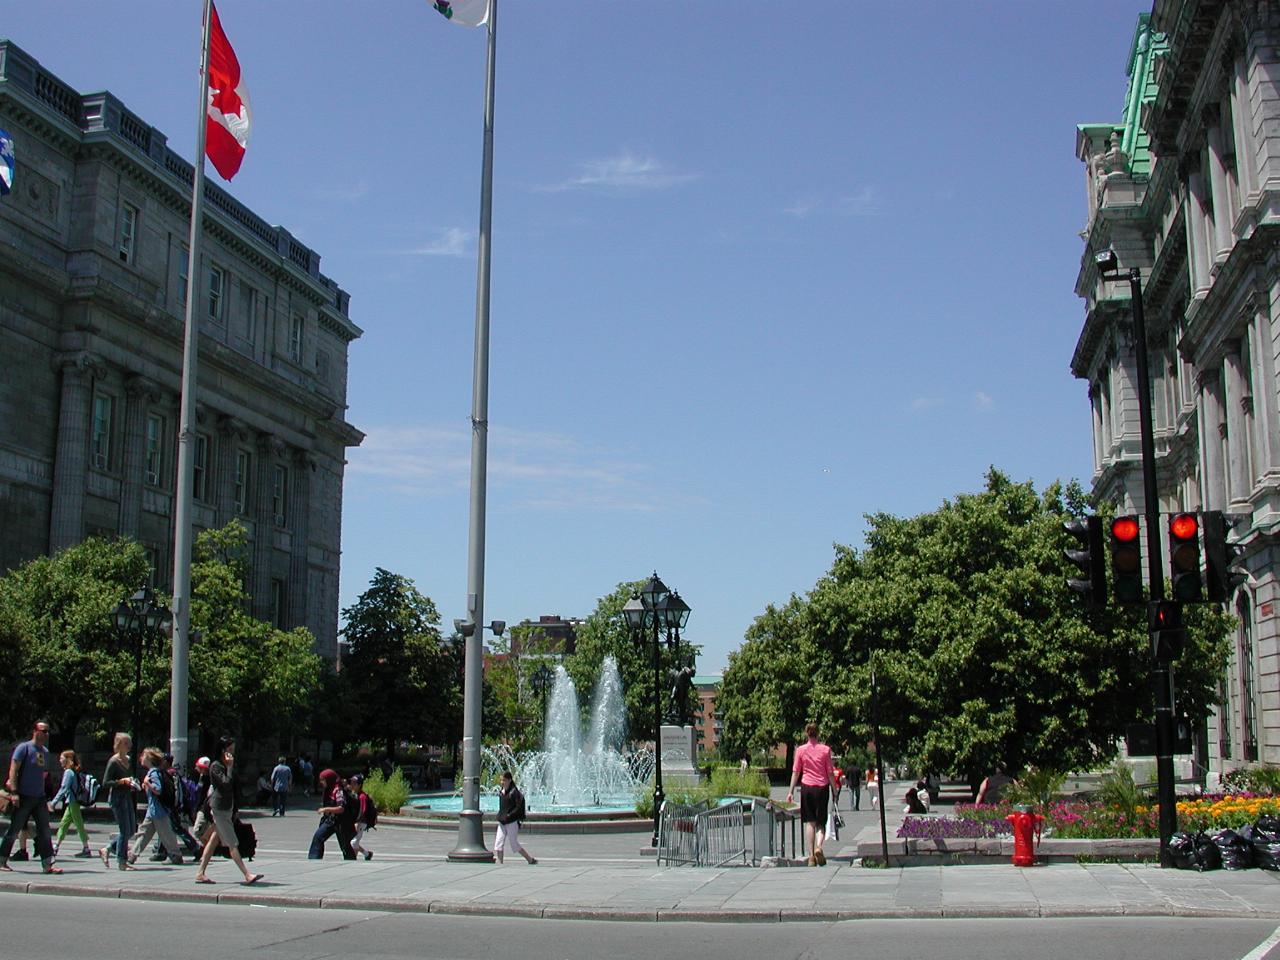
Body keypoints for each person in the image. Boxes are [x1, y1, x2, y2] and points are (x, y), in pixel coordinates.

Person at [194, 737, 262, 885]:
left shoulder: (225, 765)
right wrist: (230, 767)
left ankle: (200, 872)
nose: (232, 753)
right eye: (230, 750)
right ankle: (247, 874)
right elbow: (225, 784)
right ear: (222, 750)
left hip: (227, 807)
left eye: (233, 750)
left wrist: (235, 808)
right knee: (232, 842)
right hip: (219, 808)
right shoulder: (216, 766)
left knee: (213, 841)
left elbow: (234, 788)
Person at [0, 719, 61, 874]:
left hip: (39, 797)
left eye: (48, 731)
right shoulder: (24, 748)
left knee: (45, 830)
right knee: (14, 830)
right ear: (35, 731)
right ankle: (2, 860)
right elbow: (13, 770)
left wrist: (47, 797)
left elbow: (42, 775)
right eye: (43, 731)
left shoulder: (45, 752)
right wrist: (14, 792)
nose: (46, 734)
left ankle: (47, 864)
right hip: (24, 796)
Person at [785, 722, 836, 867]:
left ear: (807, 734)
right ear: (818, 733)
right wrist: (835, 789)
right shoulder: (825, 750)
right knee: (821, 822)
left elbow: (796, 771)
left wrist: (790, 791)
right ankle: (819, 846)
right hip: (822, 787)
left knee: (810, 822)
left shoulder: (800, 750)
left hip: (807, 787)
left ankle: (811, 856)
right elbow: (830, 772)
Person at [127, 747, 184, 865]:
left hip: (158, 811)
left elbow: (158, 789)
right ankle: (132, 855)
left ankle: (176, 855)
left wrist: (147, 782)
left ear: (149, 759)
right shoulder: (154, 772)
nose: (141, 758)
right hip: (153, 810)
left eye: (143, 755)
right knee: (144, 833)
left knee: (166, 834)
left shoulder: (153, 773)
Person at [99, 732, 137, 871]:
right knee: (124, 830)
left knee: (132, 829)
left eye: (130, 743)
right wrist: (121, 781)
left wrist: (133, 782)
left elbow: (131, 776)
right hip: (117, 798)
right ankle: (122, 861)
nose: (129, 746)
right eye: (127, 743)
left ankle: (108, 849)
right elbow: (105, 782)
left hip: (127, 796)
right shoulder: (114, 761)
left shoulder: (128, 759)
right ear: (119, 744)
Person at [51, 750, 92, 859]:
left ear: (68, 759)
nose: (60, 760)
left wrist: (54, 802)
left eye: (61, 758)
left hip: (73, 802)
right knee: (64, 824)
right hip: (72, 803)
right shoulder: (73, 771)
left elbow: (64, 788)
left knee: (79, 825)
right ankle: (55, 846)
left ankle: (86, 848)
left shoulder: (68, 772)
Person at [308, 769, 356, 860]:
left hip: (340, 822)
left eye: (323, 780)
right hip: (330, 820)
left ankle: (351, 861)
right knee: (318, 837)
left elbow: (341, 808)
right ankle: (314, 859)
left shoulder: (338, 791)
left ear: (329, 779)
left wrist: (326, 809)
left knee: (345, 845)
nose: (321, 782)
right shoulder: (328, 789)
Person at [494, 771, 536, 865]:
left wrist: (510, 815)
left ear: (509, 780)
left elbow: (518, 807)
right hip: (503, 821)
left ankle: (529, 859)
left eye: (504, 780)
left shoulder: (514, 792)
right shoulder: (502, 792)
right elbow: (502, 806)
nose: (502, 782)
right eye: (501, 780)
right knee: (498, 843)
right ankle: (500, 863)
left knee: (514, 844)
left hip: (512, 822)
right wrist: (501, 815)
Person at [349, 774, 374, 861]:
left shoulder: (362, 796)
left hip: (361, 822)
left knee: (354, 842)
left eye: (354, 783)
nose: (352, 785)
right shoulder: (355, 794)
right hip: (357, 821)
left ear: (359, 785)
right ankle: (367, 854)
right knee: (354, 841)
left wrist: (358, 822)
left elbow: (362, 810)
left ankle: (353, 859)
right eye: (351, 782)